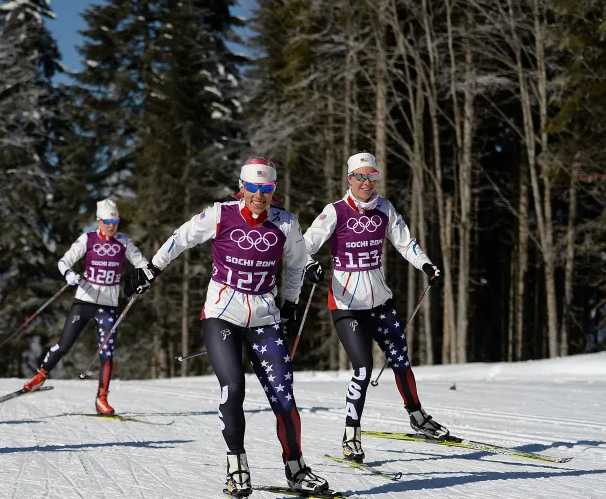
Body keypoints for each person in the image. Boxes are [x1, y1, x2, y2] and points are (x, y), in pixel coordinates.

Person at [125, 158, 328, 497]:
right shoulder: (220, 214)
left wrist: (290, 304)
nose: (258, 195)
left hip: (265, 317)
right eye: (253, 187)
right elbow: (181, 238)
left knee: (283, 394)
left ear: (273, 190)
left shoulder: (286, 223)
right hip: (222, 314)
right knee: (233, 388)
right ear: (242, 186)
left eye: (266, 189)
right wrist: (152, 269)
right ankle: (237, 467)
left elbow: (295, 266)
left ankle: (296, 468)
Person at [301, 152, 447, 463]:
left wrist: (427, 265)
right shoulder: (335, 211)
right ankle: (351, 434)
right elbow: (304, 245)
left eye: (371, 177)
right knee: (363, 368)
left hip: (380, 303)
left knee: (401, 361)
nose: (366, 182)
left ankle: (417, 417)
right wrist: (310, 264)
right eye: (360, 177)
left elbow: (406, 243)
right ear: (349, 180)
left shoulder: (384, 209)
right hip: (346, 306)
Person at [22, 199, 150, 416]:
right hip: (84, 301)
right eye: (108, 221)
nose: (112, 226)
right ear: (99, 221)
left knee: (107, 353)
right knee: (64, 344)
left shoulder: (124, 241)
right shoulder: (87, 239)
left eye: (116, 221)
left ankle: (102, 399)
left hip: (108, 305)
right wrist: (69, 274)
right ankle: (40, 376)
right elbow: (64, 262)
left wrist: (144, 279)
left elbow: (144, 265)